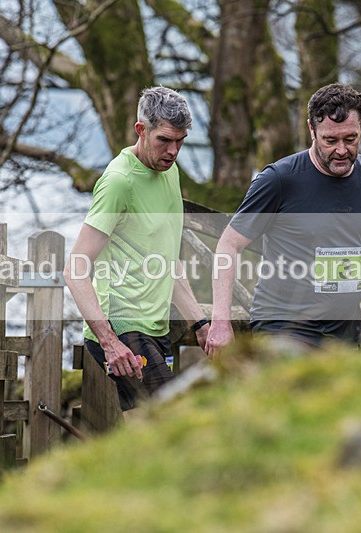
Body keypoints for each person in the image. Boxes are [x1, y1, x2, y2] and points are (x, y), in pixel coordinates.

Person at [206, 83, 361, 354]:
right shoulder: (279, 180)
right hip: (284, 328)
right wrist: (220, 320)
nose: (341, 150)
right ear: (311, 130)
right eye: (330, 140)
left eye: (350, 139)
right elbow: (228, 245)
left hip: (344, 330)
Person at [64, 87, 210, 412]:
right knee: (174, 416)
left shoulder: (168, 171)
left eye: (180, 141)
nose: (173, 151)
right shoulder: (119, 182)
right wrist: (109, 342)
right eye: (164, 140)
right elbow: (75, 268)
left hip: (156, 327)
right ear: (140, 130)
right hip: (122, 326)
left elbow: (168, 262)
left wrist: (200, 324)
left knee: (152, 428)